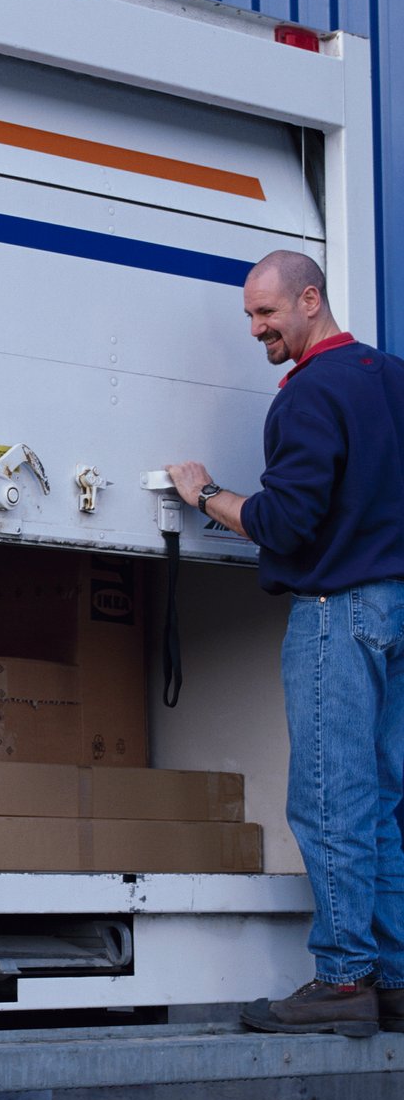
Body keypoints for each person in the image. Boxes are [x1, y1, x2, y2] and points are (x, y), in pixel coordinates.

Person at [167, 247, 404, 1038]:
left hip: (339, 612)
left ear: (311, 299)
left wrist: (205, 493)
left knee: (333, 797)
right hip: (399, 609)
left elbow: (284, 522)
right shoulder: (392, 378)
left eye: (267, 313)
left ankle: (343, 981)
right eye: (249, 317)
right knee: (386, 799)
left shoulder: (310, 395)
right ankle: (397, 978)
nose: (257, 329)